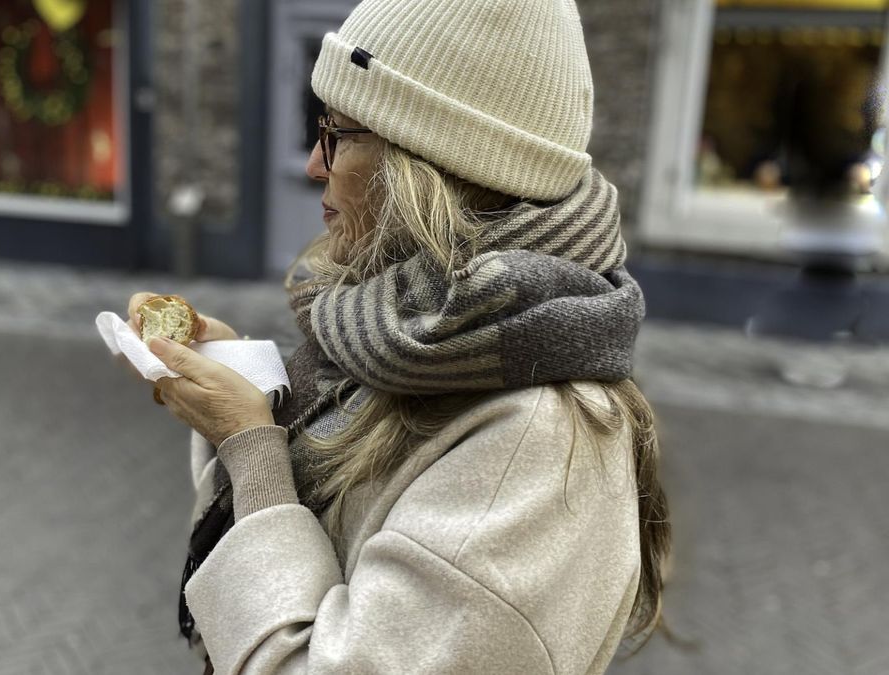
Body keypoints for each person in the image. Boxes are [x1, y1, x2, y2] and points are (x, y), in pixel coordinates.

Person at [126, 0, 671, 672]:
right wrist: (248, 392)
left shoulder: (539, 437)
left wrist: (254, 448)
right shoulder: (400, 329)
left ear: (429, 167)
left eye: (339, 134)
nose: (313, 166)